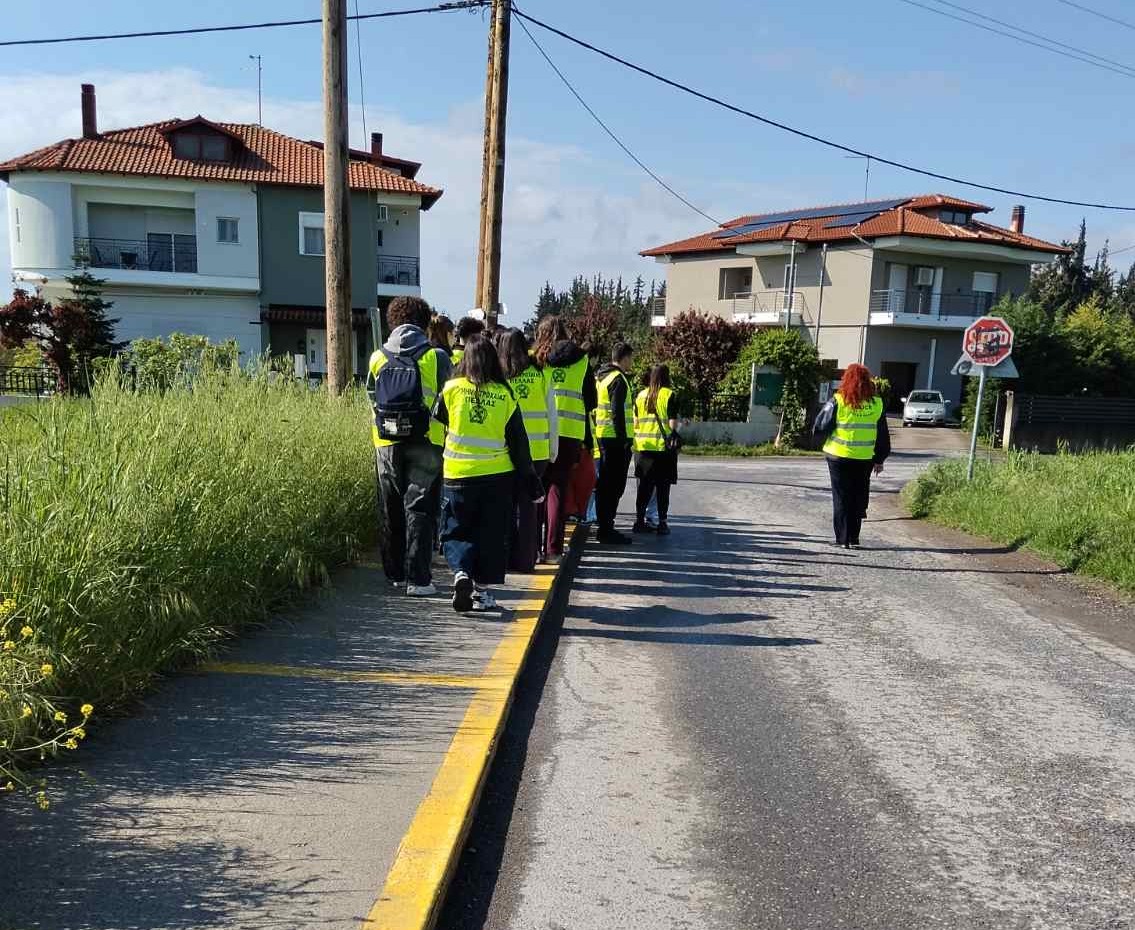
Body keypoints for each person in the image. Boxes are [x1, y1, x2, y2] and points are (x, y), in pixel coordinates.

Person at [435, 334, 544, 611]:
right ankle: (481, 593)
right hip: (497, 477)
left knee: (456, 529)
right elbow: (519, 443)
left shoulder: (451, 389)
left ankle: (461, 573)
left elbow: (438, 420)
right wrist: (531, 480)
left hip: (457, 474)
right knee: (491, 535)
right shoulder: (505, 394)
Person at [368, 295, 452, 595]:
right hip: (426, 440)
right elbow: (448, 397)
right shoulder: (437, 356)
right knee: (420, 507)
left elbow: (370, 396)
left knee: (390, 506)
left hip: (386, 442)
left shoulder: (377, 357)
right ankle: (419, 580)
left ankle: (395, 574)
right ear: (423, 321)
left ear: (392, 321)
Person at [534, 315, 597, 561]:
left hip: (540, 430)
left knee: (536, 489)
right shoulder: (582, 360)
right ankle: (553, 550)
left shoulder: (537, 358)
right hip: (570, 431)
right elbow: (591, 400)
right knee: (557, 488)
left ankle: (533, 549)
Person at [812, 363, 891, 549]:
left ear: (846, 380)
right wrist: (879, 459)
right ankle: (854, 539)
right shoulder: (877, 404)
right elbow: (883, 435)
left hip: (838, 456)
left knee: (841, 497)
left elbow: (820, 425)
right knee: (858, 497)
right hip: (864, 458)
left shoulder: (838, 400)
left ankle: (842, 539)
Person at [498, 328, 558, 572]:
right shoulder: (541, 372)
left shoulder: (498, 375)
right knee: (529, 506)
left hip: (506, 454)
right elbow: (552, 416)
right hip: (539, 452)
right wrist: (554, 450)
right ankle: (526, 559)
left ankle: (505, 557)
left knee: (506, 507)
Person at [593, 342, 635, 544]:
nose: (632, 363)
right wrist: (623, 441)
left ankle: (604, 526)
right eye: (631, 358)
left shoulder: (603, 376)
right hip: (615, 441)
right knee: (613, 486)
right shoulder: (618, 379)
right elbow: (617, 412)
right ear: (625, 358)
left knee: (605, 485)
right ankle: (606, 529)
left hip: (603, 436)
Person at [633, 364, 680, 536]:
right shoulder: (669, 395)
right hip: (663, 449)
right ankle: (662, 523)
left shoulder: (640, 395)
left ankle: (639, 521)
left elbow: (636, 422)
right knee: (662, 487)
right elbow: (672, 424)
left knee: (643, 487)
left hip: (643, 448)